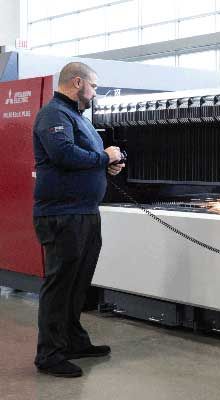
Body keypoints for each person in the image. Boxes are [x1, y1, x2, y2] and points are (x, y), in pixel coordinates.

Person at [32, 62, 124, 378]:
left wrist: (105, 166)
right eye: (94, 86)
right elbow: (64, 155)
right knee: (60, 285)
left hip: (84, 212)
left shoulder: (76, 118)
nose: (95, 93)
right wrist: (104, 158)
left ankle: (72, 341)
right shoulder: (54, 115)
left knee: (77, 284)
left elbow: (83, 158)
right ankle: (50, 354)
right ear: (77, 82)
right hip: (62, 215)